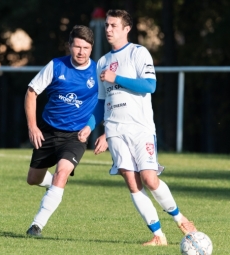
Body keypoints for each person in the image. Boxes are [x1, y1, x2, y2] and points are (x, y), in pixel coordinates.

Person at [97, 9, 197, 246]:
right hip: (114, 129)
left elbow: (150, 85)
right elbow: (102, 101)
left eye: (113, 25)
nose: (108, 29)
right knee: (131, 180)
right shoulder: (102, 61)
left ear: (126, 29)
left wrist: (116, 78)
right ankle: (158, 235)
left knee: (150, 179)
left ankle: (180, 218)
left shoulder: (138, 53)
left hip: (140, 128)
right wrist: (99, 130)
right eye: (107, 26)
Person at [24, 25, 108, 237]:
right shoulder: (56, 66)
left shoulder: (98, 72)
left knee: (62, 174)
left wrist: (94, 129)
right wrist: (33, 127)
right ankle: (50, 185)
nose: (81, 52)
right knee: (33, 179)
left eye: (86, 48)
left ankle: (36, 225)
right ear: (70, 46)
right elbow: (31, 92)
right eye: (77, 46)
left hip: (76, 136)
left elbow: (105, 104)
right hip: (47, 130)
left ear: (92, 48)